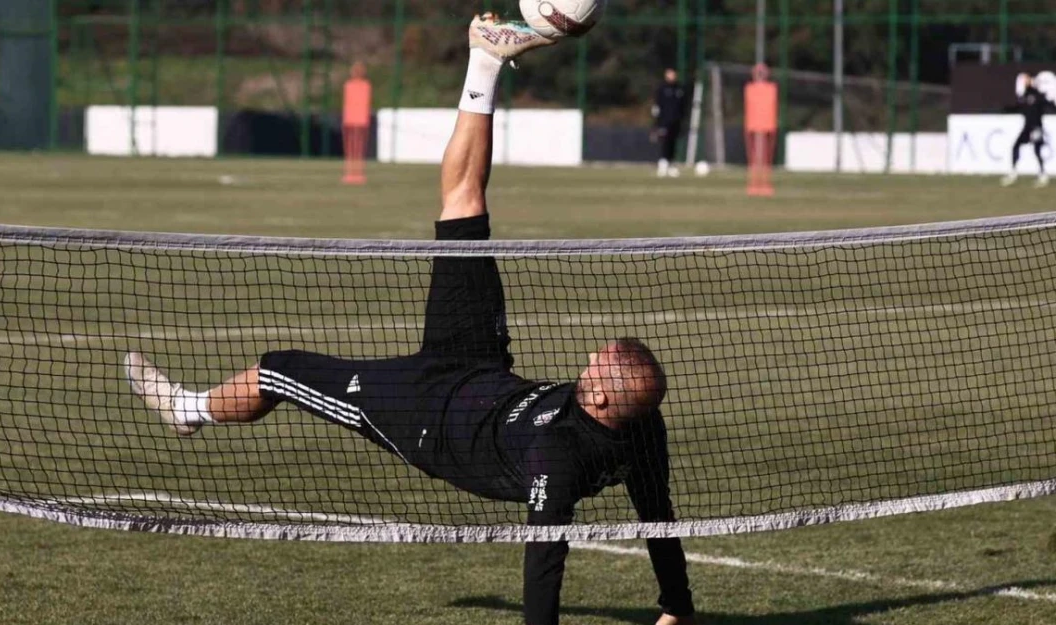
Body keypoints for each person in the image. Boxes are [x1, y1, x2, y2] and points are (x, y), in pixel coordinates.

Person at [124, 14, 696, 625]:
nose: (589, 360)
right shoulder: (642, 428)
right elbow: (659, 516)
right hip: (480, 365)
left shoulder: (558, 459)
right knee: (464, 208)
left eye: (598, 368)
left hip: (428, 413)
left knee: (276, 371)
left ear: (605, 401)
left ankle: (187, 410)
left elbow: (544, 562)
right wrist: (678, 608)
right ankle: (485, 61)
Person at [1001, 73, 1051, 188]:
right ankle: (1013, 173)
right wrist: (1006, 109)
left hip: (1036, 127)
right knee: (1015, 146)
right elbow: (1018, 107)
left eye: (1027, 79)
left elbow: (1046, 104)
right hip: (1027, 128)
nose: (1025, 82)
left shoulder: (1037, 95)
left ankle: (1043, 175)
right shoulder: (1025, 95)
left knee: (1037, 150)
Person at [652, 68, 688, 178]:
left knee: (673, 143)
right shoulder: (662, 89)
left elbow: (683, 106)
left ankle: (671, 164)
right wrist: (657, 123)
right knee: (665, 142)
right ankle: (663, 164)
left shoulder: (680, 89)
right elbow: (657, 106)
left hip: (676, 121)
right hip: (664, 121)